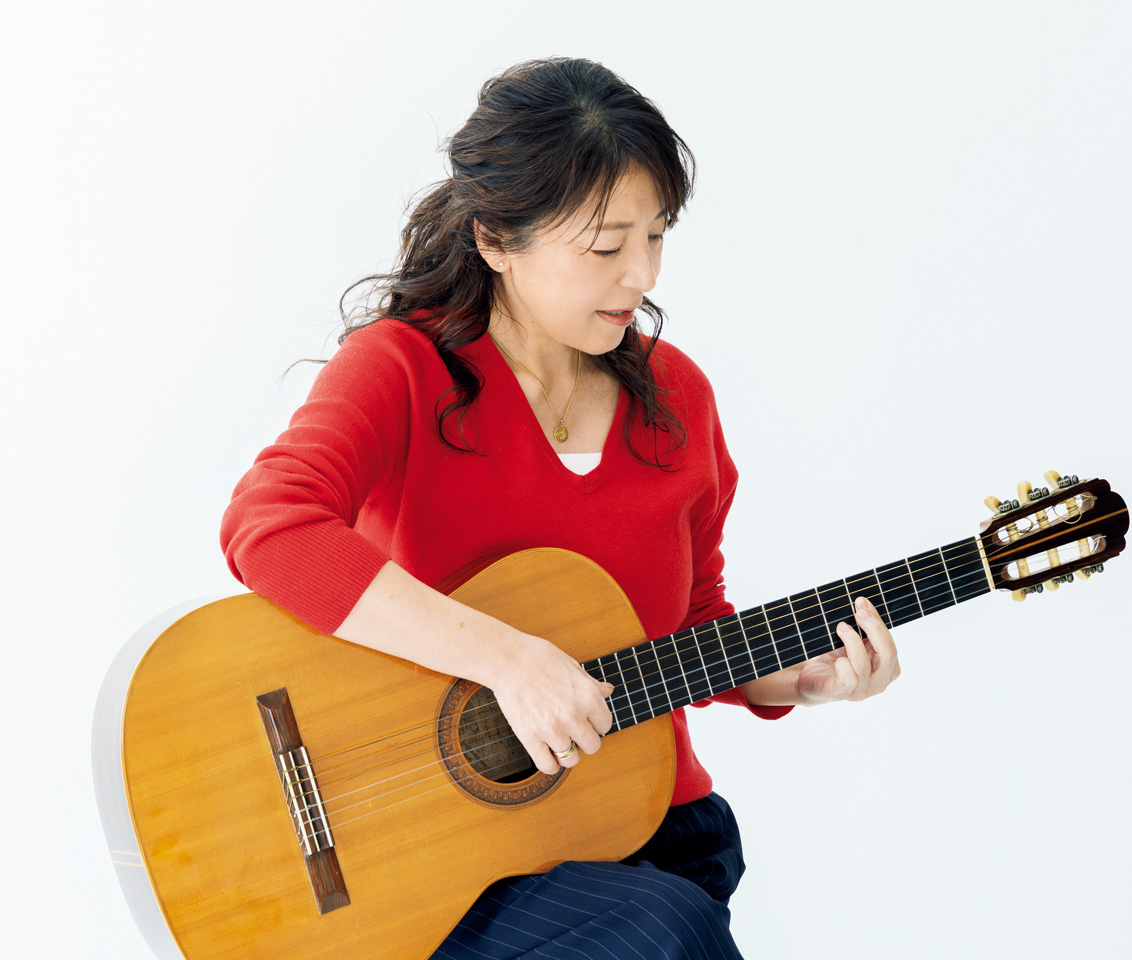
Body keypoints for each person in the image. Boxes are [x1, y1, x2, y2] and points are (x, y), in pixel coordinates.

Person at [221, 57, 900, 960]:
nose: (641, 275)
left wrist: (795, 679)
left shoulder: (679, 399)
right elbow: (270, 527)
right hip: (439, 857)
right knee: (664, 930)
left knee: (668, 916)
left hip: (649, 832)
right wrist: (508, 661)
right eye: (606, 246)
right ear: (496, 239)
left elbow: (691, 621)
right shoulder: (402, 370)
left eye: (656, 236)